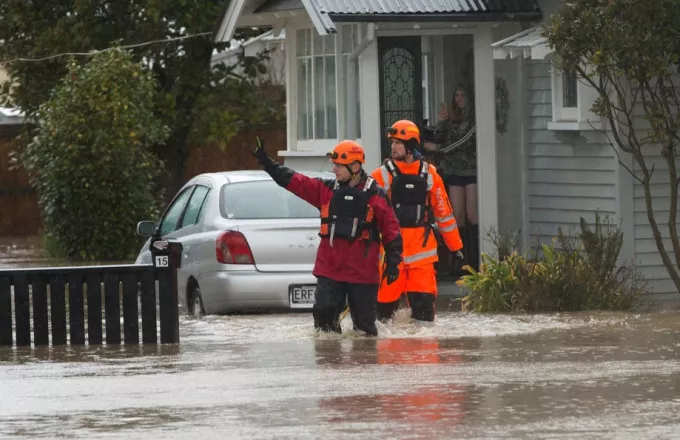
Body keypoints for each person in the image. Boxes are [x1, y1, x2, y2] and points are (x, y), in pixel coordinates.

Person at [252, 137, 403, 336]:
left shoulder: (377, 196)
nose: (334, 169)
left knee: (365, 331)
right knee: (324, 326)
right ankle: (329, 364)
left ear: (356, 166)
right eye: (334, 165)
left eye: (339, 165)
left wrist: (393, 262)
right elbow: (295, 181)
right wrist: (268, 164)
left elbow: (392, 230)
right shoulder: (325, 190)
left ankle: (364, 366)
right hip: (330, 270)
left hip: (362, 274)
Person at [370, 120, 464, 323]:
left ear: (411, 145)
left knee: (424, 316)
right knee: (382, 316)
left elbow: (443, 212)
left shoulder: (430, 174)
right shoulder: (382, 175)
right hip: (392, 255)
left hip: (422, 255)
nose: (393, 147)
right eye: (392, 142)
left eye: (398, 142)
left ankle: (425, 355)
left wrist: (455, 247)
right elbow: (366, 209)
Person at [435, 85, 479, 275]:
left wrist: (441, 151)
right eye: (456, 95)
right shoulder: (452, 120)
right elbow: (439, 138)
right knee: (458, 215)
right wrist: (441, 122)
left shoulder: (473, 120)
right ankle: (460, 259)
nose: (459, 99)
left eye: (462, 95)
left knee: (472, 213)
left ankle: (476, 257)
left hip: (470, 169)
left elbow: (465, 141)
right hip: (454, 170)